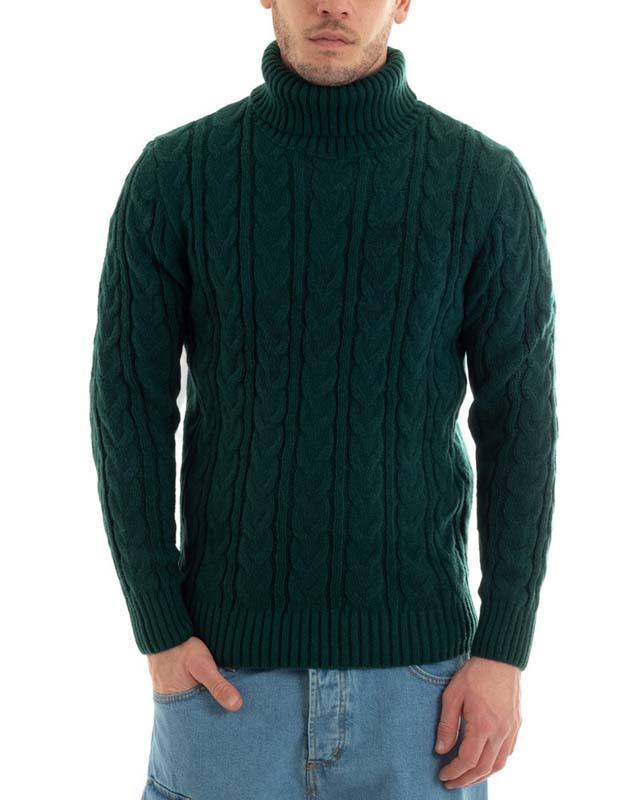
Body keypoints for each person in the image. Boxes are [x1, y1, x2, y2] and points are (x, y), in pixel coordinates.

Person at [89, 1, 558, 797]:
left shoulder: (482, 183)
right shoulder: (177, 176)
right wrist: (158, 628)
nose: (333, 4)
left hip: (425, 694)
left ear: (403, 2)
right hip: (224, 685)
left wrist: (504, 650)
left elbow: (521, 426)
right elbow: (127, 408)